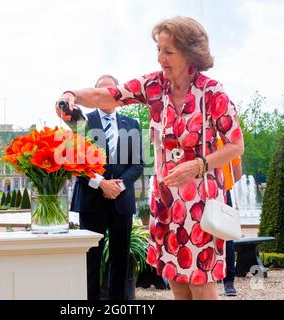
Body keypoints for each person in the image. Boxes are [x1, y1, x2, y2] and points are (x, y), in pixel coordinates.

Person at [56, 17, 244, 300]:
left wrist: (199, 165)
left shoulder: (212, 91)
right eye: (158, 49)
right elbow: (108, 95)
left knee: (201, 284)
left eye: (168, 51)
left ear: (190, 52)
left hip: (201, 203)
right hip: (166, 201)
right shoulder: (154, 85)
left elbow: (235, 146)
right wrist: (71, 94)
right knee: (177, 282)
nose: (160, 58)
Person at [67, 74, 144, 300]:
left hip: (122, 201)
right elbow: (76, 162)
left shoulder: (132, 124)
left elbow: (138, 163)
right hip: (91, 202)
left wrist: (118, 186)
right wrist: (101, 183)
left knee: (120, 260)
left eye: (111, 91)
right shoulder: (82, 123)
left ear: (118, 95)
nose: (106, 96)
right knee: (91, 260)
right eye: (100, 92)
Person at [217, 138, 242, 296]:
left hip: (201, 193)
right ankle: (229, 284)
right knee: (227, 238)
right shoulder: (227, 144)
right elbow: (238, 174)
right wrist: (223, 184)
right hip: (223, 192)